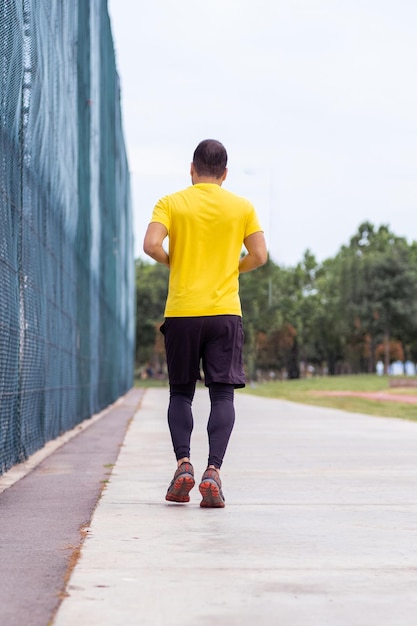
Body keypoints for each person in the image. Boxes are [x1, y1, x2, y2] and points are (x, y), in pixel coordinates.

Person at [143, 139, 267, 508]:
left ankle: (184, 464)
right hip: (225, 311)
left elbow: (151, 245)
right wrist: (233, 267)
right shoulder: (242, 206)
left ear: (192, 169)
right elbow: (259, 255)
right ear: (225, 174)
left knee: (181, 393)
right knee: (222, 394)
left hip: (183, 312)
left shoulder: (171, 202)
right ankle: (213, 470)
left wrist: (175, 262)